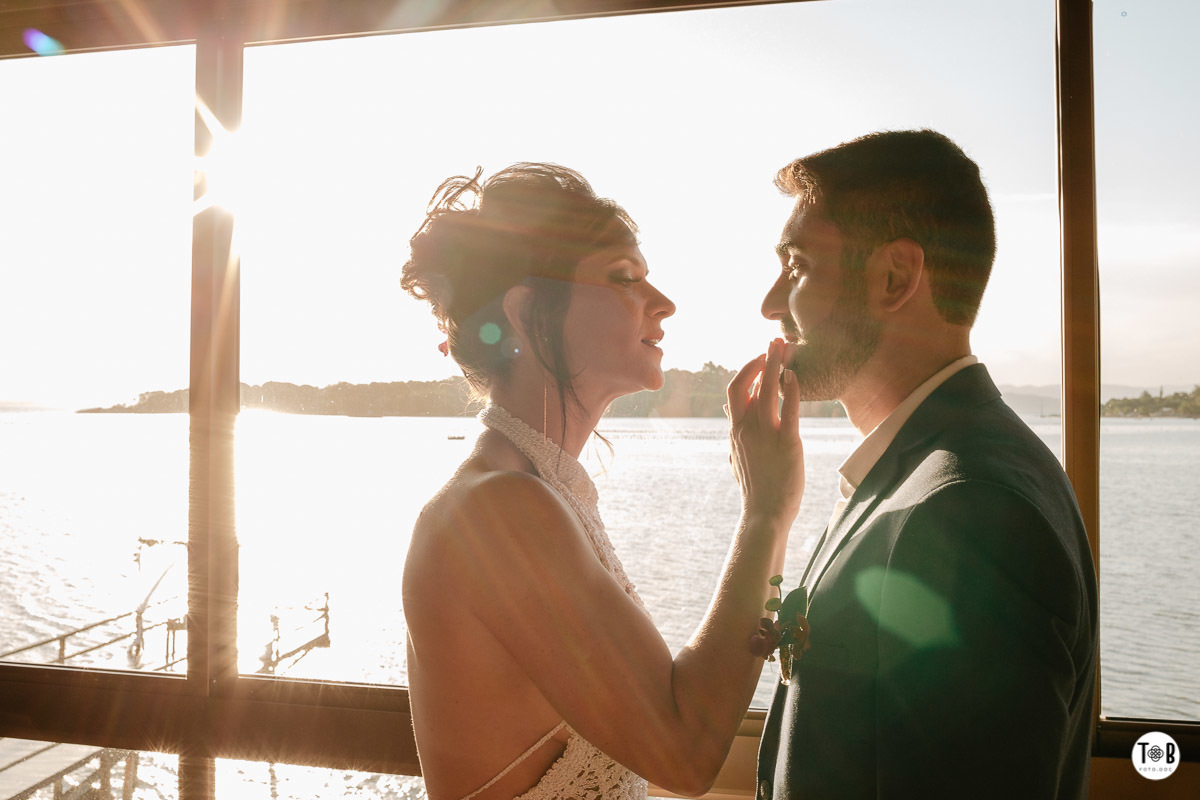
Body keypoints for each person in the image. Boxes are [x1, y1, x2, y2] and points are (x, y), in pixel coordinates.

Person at [401, 162, 804, 800]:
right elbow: (684, 751)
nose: (664, 302)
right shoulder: (498, 509)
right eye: (625, 277)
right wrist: (766, 512)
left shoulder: (537, 488)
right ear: (529, 312)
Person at [755, 130, 1099, 799]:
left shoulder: (971, 511)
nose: (771, 303)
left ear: (895, 278)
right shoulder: (925, 472)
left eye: (796, 265)